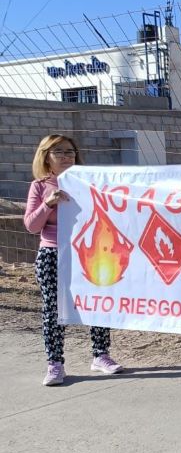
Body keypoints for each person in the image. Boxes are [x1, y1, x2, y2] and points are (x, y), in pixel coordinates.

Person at [23, 135, 124, 386]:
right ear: (46, 156)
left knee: (98, 302)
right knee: (53, 309)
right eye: (59, 152)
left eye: (70, 151)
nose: (67, 156)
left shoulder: (88, 184)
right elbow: (32, 226)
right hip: (53, 253)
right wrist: (49, 203)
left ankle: (101, 355)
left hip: (89, 255)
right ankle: (55, 363)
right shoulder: (39, 186)